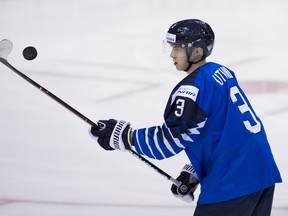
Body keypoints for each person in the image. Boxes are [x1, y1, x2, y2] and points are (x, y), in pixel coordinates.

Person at [90, 19, 282, 216]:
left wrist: (124, 137)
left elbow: (168, 142)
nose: (172, 54)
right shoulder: (221, 72)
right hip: (260, 172)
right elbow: (225, 127)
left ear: (197, 51)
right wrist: (194, 171)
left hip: (231, 182)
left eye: (178, 49)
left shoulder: (192, 89)